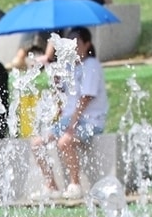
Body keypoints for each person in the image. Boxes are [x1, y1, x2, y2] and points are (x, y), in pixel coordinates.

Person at [30, 27, 107, 200]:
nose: (73, 47)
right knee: (36, 144)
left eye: (77, 43)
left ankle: (75, 184)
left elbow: (85, 100)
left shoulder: (91, 65)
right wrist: (56, 84)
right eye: (70, 43)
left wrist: (70, 128)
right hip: (68, 120)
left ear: (87, 45)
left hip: (89, 121)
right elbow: (63, 98)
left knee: (65, 142)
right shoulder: (69, 66)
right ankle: (51, 186)